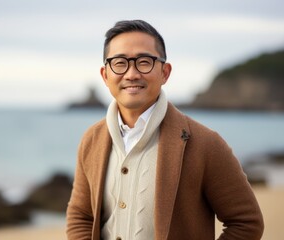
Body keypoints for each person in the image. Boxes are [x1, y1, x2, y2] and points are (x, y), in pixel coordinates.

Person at [66, 19, 264, 240]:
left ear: (165, 72)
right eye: (120, 63)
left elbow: (246, 222)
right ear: (105, 75)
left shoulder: (205, 143)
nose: (131, 74)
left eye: (144, 62)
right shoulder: (92, 140)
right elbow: (81, 216)